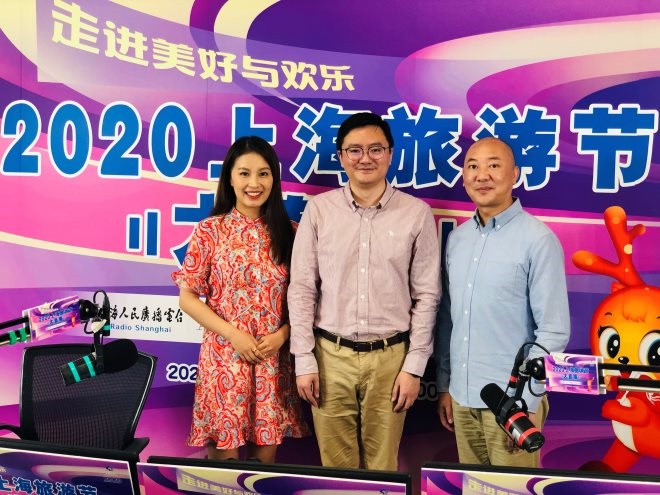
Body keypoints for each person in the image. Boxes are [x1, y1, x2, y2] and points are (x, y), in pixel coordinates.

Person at [288, 112, 441, 470]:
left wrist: (414, 367)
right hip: (330, 357)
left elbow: (427, 296)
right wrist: (304, 358)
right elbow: (303, 288)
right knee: (336, 471)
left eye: (375, 149)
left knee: (383, 468)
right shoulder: (319, 210)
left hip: (391, 359)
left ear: (390, 154)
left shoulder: (416, 213)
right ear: (341, 157)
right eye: (354, 150)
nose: (365, 158)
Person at [434, 136, 570, 467]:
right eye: (472, 166)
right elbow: (449, 319)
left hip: (512, 404)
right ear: (464, 177)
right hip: (463, 398)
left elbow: (553, 331)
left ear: (514, 175)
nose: (482, 175)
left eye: (494, 165)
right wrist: (446, 386)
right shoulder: (457, 239)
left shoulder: (538, 240)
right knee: (473, 487)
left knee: (512, 489)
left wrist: (524, 403)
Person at [172, 136, 308, 463]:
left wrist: (283, 335)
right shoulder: (210, 231)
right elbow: (188, 298)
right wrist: (233, 335)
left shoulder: (293, 233)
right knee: (223, 472)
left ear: (274, 179)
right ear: (230, 178)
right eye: (244, 173)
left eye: (263, 173)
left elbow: (308, 300)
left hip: (271, 360)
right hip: (223, 358)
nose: (254, 183)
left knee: (262, 470)